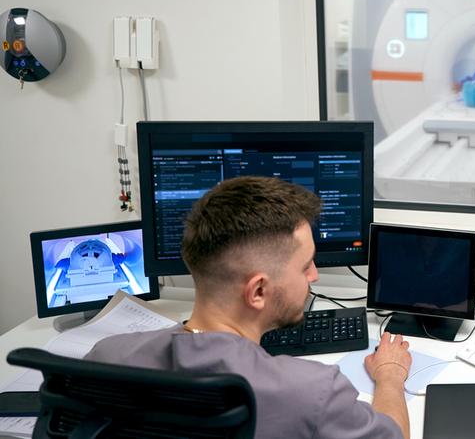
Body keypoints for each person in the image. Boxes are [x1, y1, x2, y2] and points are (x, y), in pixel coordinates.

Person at [85, 176, 413, 439]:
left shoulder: (105, 358)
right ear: (257, 291)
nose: (314, 275)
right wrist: (390, 377)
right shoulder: (311, 393)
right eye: (305, 266)